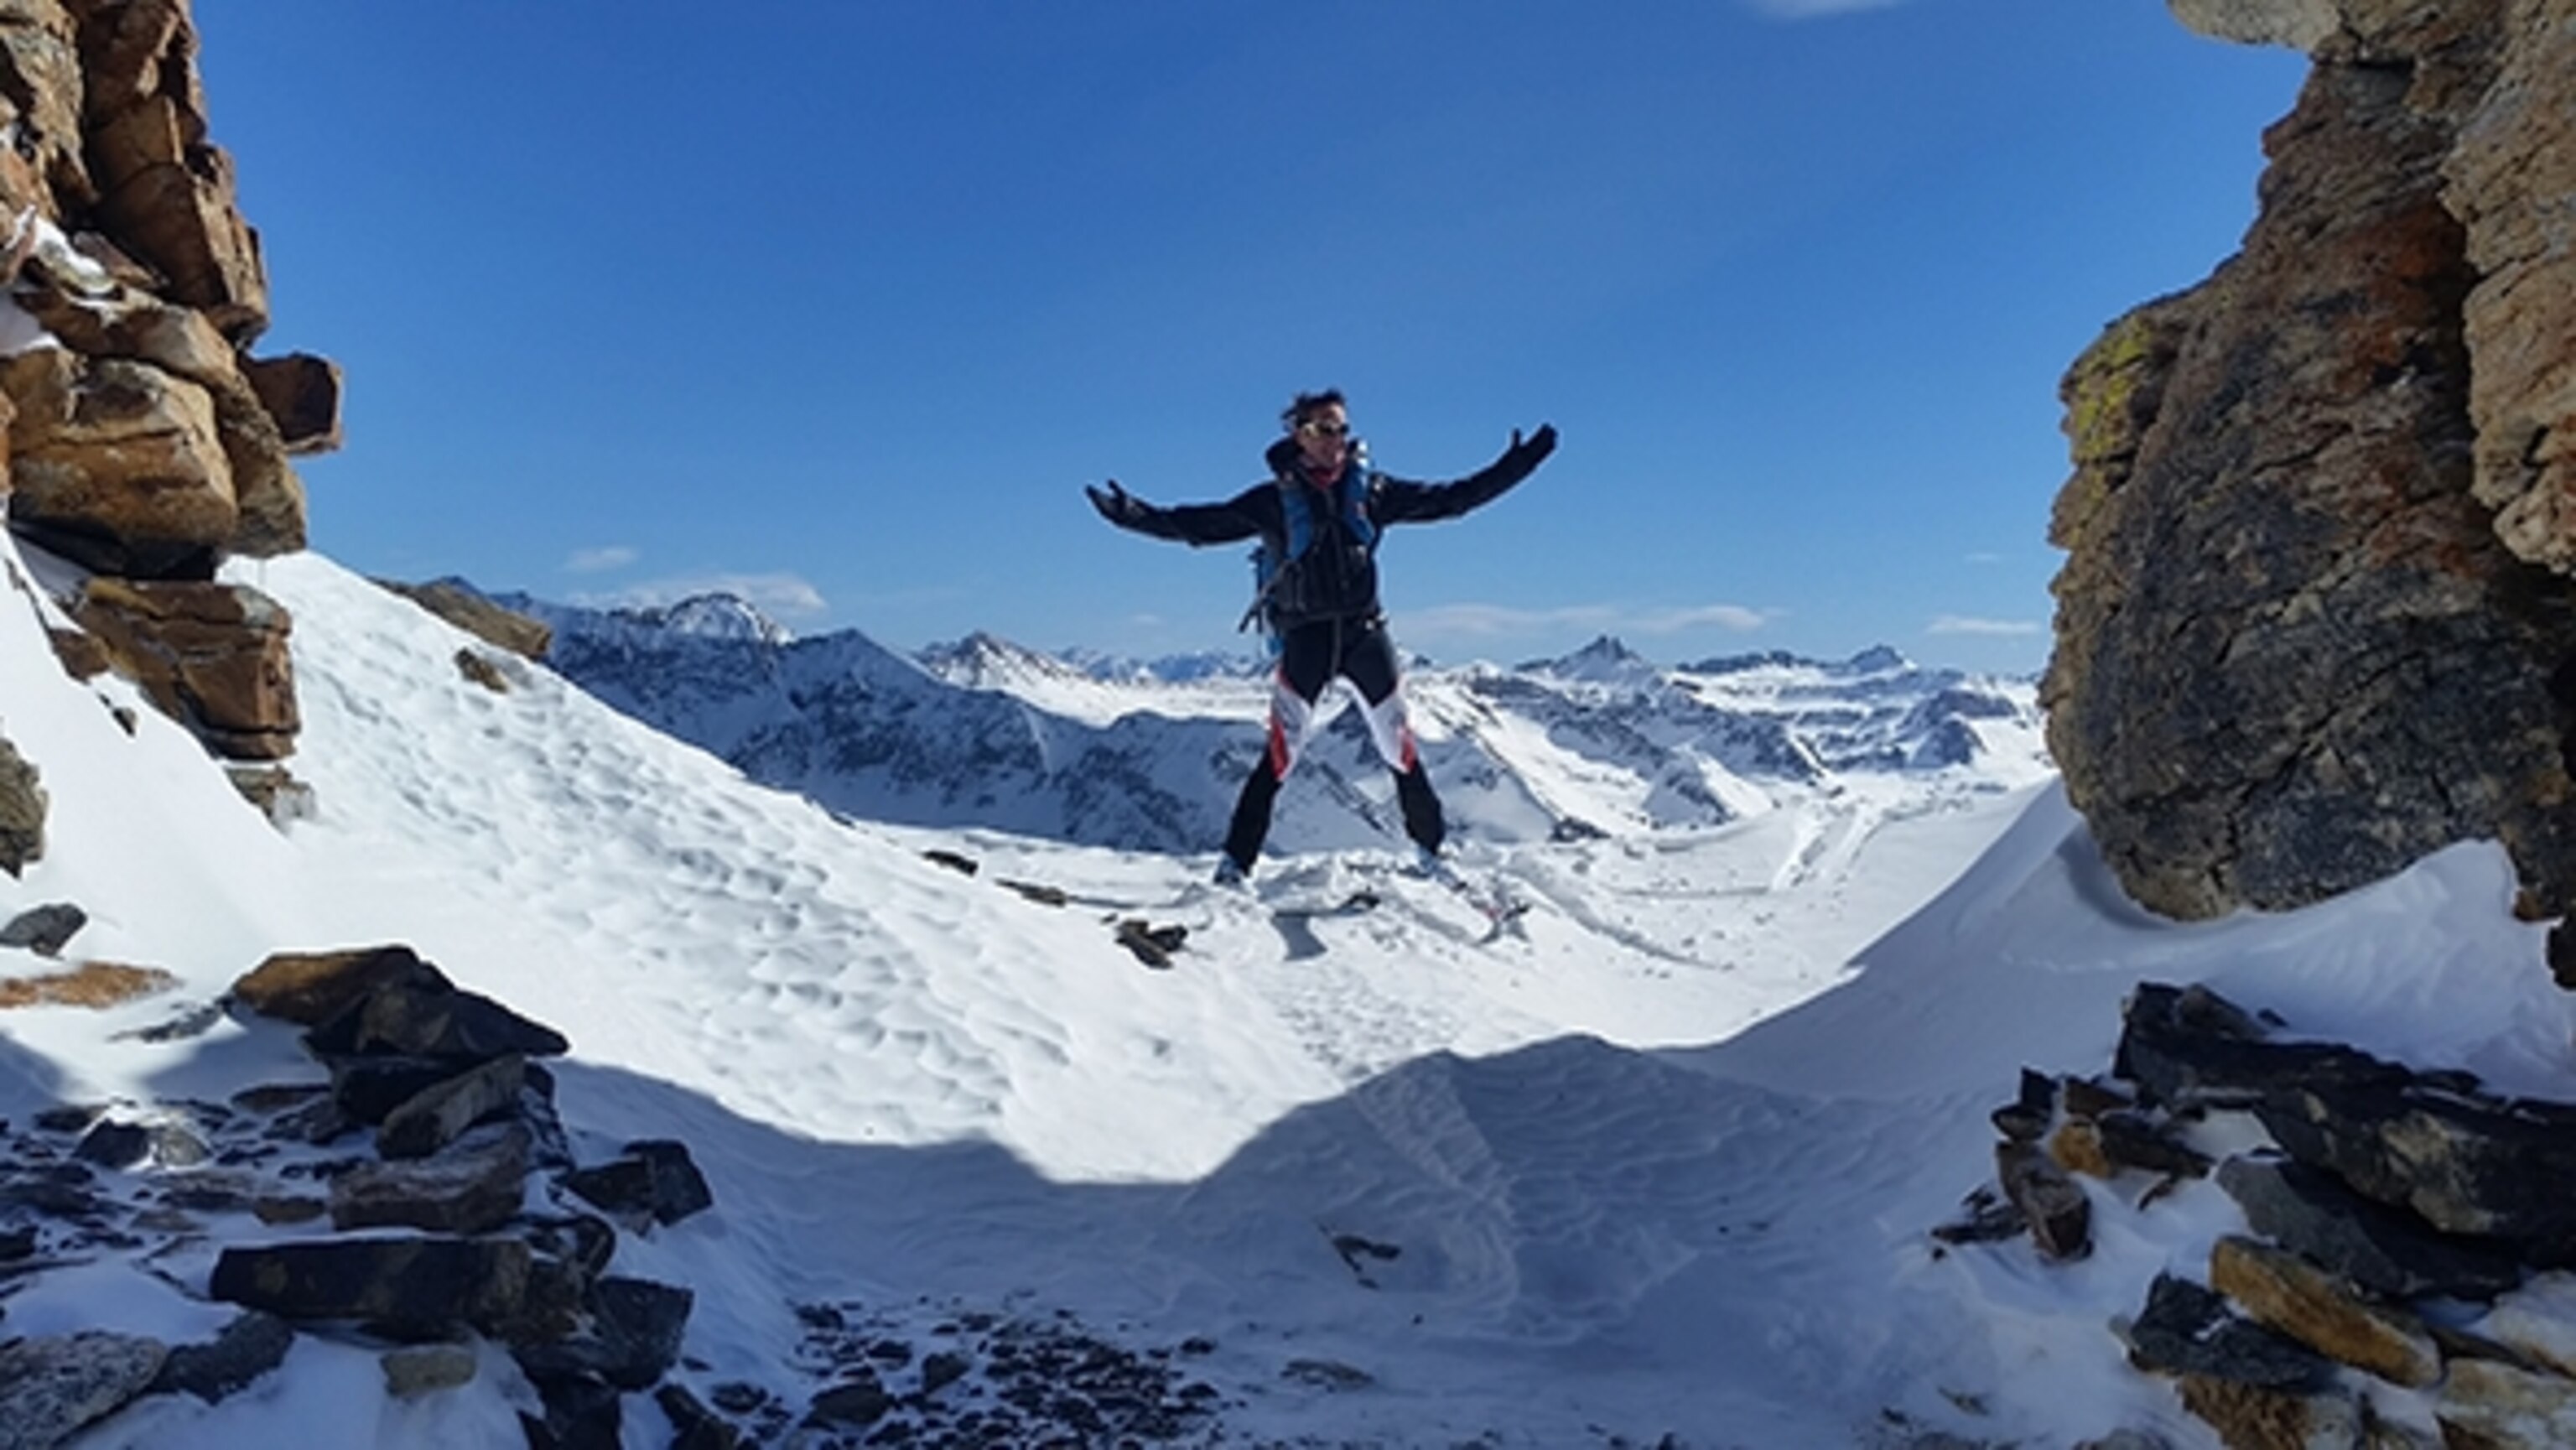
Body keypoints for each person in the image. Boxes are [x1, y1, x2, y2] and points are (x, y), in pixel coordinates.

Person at [1086, 388, 1557, 884]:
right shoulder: (1272, 501)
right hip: (1305, 640)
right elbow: (1199, 525)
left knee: (1401, 750)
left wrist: (1520, 464)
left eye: (1342, 429)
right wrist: (1133, 515)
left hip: (1365, 636)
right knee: (1278, 757)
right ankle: (1235, 865)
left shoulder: (1373, 492)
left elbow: (1453, 499)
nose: (1338, 439)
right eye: (1326, 429)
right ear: (1299, 434)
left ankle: (1432, 853)